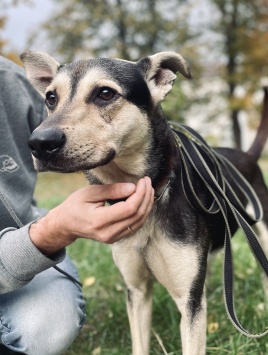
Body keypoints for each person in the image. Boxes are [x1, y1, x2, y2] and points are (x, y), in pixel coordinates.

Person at [0, 55, 154, 354]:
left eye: (105, 94)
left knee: (46, 327)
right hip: (27, 244)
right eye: (52, 99)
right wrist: (51, 231)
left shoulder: (9, 80)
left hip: (16, 238)